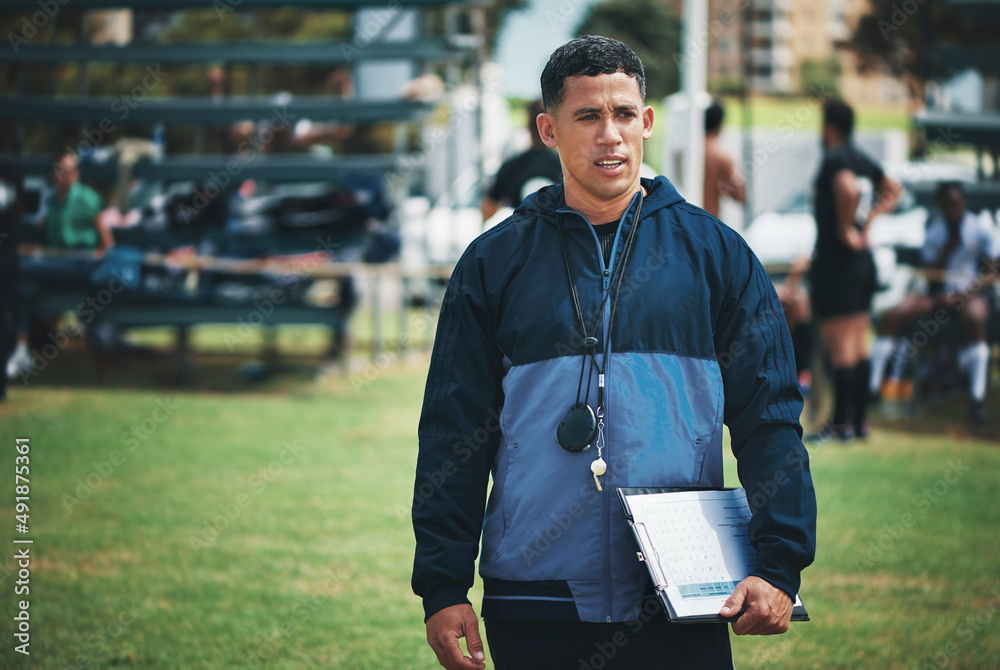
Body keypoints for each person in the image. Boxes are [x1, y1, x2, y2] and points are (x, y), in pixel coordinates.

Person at [412, 36, 816, 670]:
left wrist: (780, 563)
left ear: (647, 122)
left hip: (683, 598)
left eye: (625, 114)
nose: (611, 136)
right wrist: (443, 584)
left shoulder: (718, 255)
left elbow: (771, 421)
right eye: (588, 116)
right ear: (549, 128)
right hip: (533, 599)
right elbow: (451, 433)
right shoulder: (492, 264)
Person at [806, 101, 901, 442]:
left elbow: (849, 187)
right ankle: (859, 423)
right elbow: (893, 188)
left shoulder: (836, 160)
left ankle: (839, 426)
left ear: (830, 126)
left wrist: (848, 227)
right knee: (858, 344)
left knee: (842, 346)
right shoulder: (861, 158)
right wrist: (869, 221)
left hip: (838, 263)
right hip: (862, 265)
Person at [868, 181, 997, 421]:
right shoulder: (935, 230)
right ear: (941, 205)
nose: (952, 208)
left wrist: (966, 293)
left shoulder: (980, 228)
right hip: (938, 295)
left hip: (969, 295)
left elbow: (992, 271)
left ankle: (976, 400)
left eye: (956, 203)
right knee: (892, 314)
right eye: (947, 204)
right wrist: (949, 247)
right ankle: (873, 388)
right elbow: (929, 272)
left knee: (976, 317)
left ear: (963, 202)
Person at [6, 152, 112, 379]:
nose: (70, 174)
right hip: (54, 266)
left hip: (81, 266)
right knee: (24, 287)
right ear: (55, 173)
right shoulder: (53, 201)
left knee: (20, 268)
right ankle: (22, 349)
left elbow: (107, 243)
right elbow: (46, 236)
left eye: (73, 170)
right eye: (64, 169)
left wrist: (96, 256)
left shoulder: (87, 198)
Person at [481, 100, 563, 222]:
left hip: (522, 236)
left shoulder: (513, 165)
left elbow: (488, 210)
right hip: (558, 238)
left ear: (528, 124)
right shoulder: (564, 167)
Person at [702, 101, 745, 219]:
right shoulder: (722, 156)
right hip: (709, 220)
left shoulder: (687, 151)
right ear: (720, 123)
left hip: (684, 219)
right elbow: (740, 196)